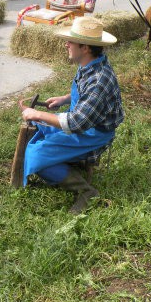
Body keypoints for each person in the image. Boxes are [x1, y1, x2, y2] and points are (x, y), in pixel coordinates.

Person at [19, 17, 124, 214]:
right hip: (84, 122)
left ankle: (85, 191)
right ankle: (61, 162)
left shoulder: (99, 80)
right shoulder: (90, 65)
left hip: (93, 133)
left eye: (71, 41)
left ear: (85, 48)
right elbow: (84, 96)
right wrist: (65, 99)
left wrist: (38, 113)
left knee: (36, 155)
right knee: (41, 130)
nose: (66, 44)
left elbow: (76, 123)